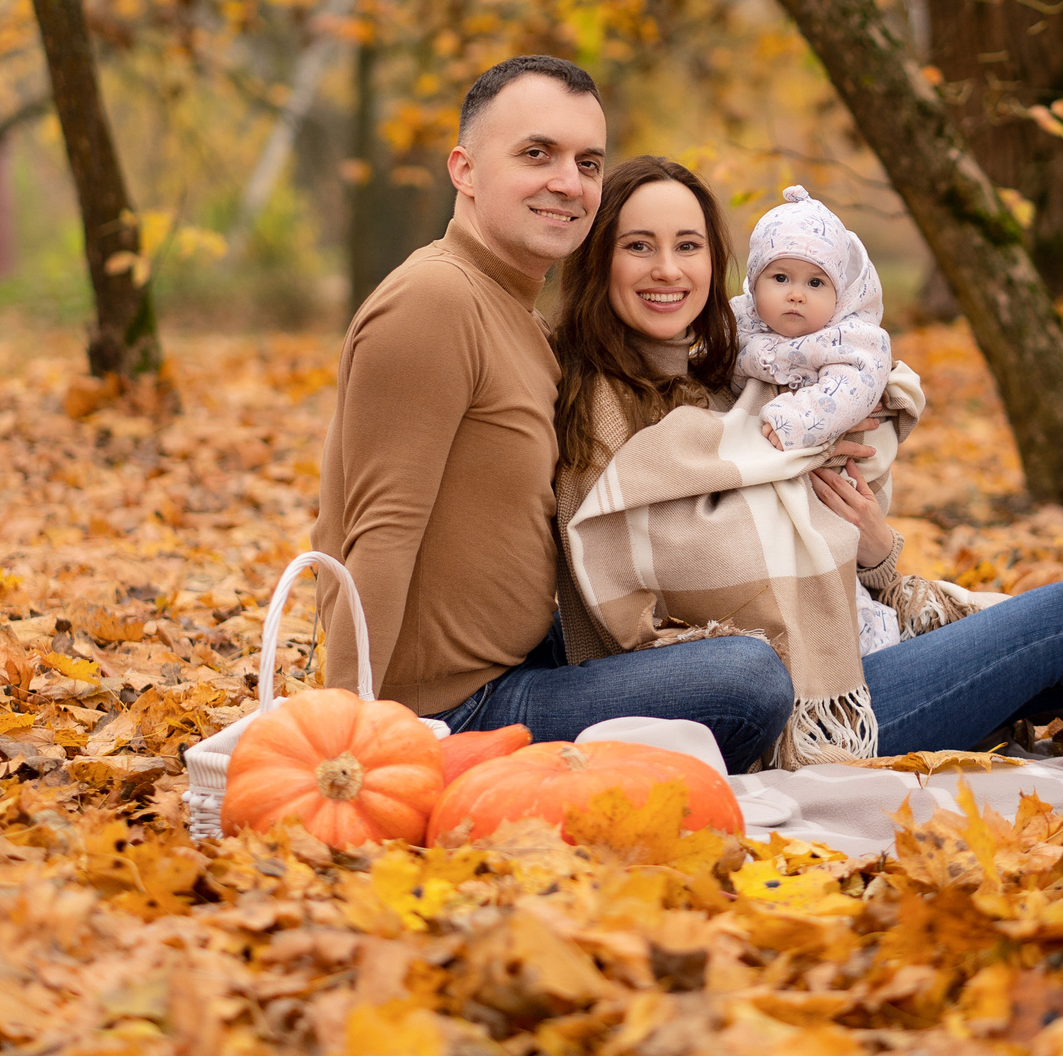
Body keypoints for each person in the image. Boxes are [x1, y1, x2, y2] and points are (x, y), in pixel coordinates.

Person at [551, 159, 1063, 760]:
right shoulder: (599, 405)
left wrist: (875, 551)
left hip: (843, 652)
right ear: (599, 258)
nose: (668, 269)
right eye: (639, 245)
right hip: (802, 706)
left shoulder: (720, 374)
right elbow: (687, 577)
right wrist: (796, 450)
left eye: (688, 245)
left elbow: (801, 532)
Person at [310, 57, 795, 770]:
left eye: (588, 162)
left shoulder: (522, 318)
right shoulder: (434, 300)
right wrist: (345, 750)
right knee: (747, 677)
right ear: (464, 170)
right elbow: (377, 537)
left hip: (530, 660)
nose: (569, 182)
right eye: (537, 153)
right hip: (454, 710)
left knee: (751, 649)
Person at [734, 186, 892, 453]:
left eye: (815, 283)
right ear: (754, 283)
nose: (796, 295)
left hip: (810, 448)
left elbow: (849, 392)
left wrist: (796, 420)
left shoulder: (848, 339)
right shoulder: (739, 320)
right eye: (781, 278)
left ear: (838, 294)